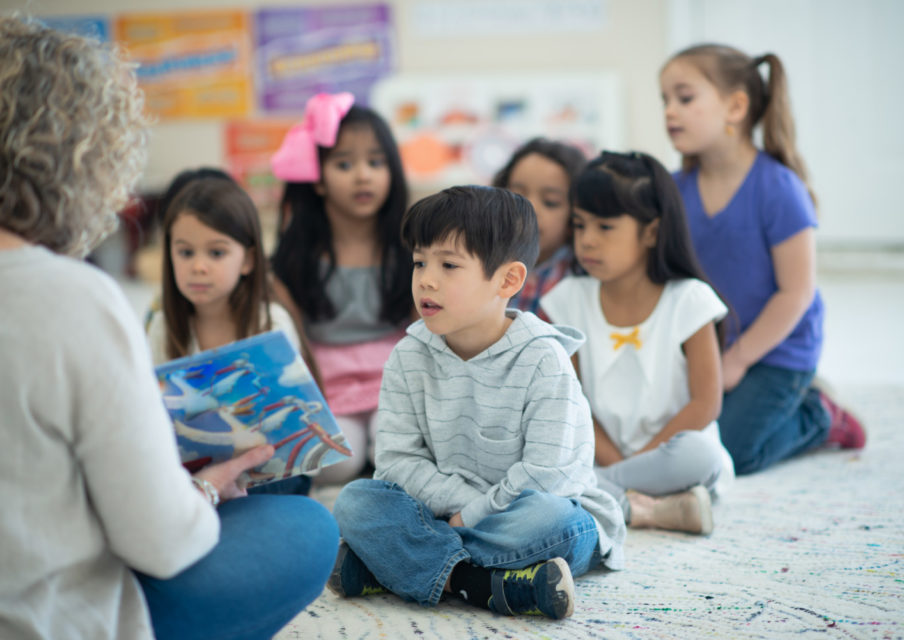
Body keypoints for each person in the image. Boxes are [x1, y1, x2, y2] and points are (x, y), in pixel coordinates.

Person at [0, 17, 338, 640]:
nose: (199, 267)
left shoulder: (267, 319)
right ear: (88, 160)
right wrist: (204, 492)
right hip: (54, 617)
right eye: (185, 252)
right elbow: (159, 542)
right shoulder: (77, 301)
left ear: (246, 259)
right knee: (311, 529)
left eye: (216, 252)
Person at [328, 186, 626, 621]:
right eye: (419, 262)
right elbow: (395, 462)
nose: (426, 279)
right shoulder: (409, 355)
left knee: (555, 521)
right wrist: (461, 508)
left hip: (532, 515)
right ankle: (479, 584)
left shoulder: (545, 359)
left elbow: (549, 476)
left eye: (448, 265)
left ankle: (403, 567)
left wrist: (473, 514)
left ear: (508, 281)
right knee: (355, 501)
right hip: (446, 513)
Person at [660, 44, 865, 475]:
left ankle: (821, 416)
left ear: (736, 106)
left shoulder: (778, 188)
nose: (670, 111)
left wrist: (738, 359)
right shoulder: (676, 190)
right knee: (678, 438)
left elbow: (797, 293)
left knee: (733, 452)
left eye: (684, 97)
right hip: (711, 349)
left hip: (777, 351)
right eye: (665, 100)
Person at [541, 151, 733, 535]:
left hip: (673, 458)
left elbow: (705, 404)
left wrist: (642, 462)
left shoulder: (689, 299)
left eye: (605, 227)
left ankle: (607, 497)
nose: (587, 241)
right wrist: (616, 464)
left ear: (651, 232)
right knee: (545, 453)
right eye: (579, 225)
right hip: (596, 452)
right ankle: (649, 507)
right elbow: (571, 402)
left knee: (702, 455)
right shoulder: (566, 299)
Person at [270, 92, 413, 484]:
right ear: (317, 179)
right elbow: (292, 335)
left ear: (392, 171)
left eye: (375, 162)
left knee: (399, 455)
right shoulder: (295, 257)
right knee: (336, 464)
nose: (362, 175)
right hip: (327, 386)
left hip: (398, 382)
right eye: (344, 163)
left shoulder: (411, 246)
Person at [492, 137, 587, 319]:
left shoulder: (578, 276)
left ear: (575, 215)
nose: (530, 208)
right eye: (517, 196)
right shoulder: (482, 261)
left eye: (550, 202)